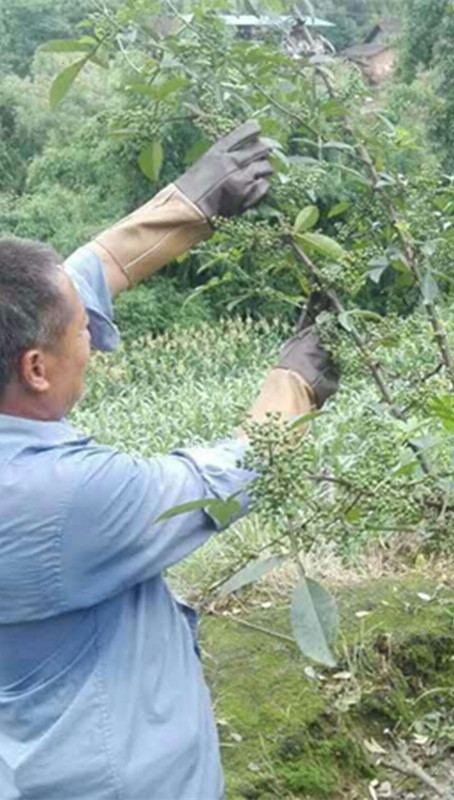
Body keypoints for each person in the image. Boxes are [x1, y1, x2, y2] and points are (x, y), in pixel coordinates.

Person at [0, 122, 338, 799]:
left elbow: (70, 284)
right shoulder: (65, 497)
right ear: (37, 368)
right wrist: (297, 379)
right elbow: (231, 473)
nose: (92, 340)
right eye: (81, 333)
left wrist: (191, 203)